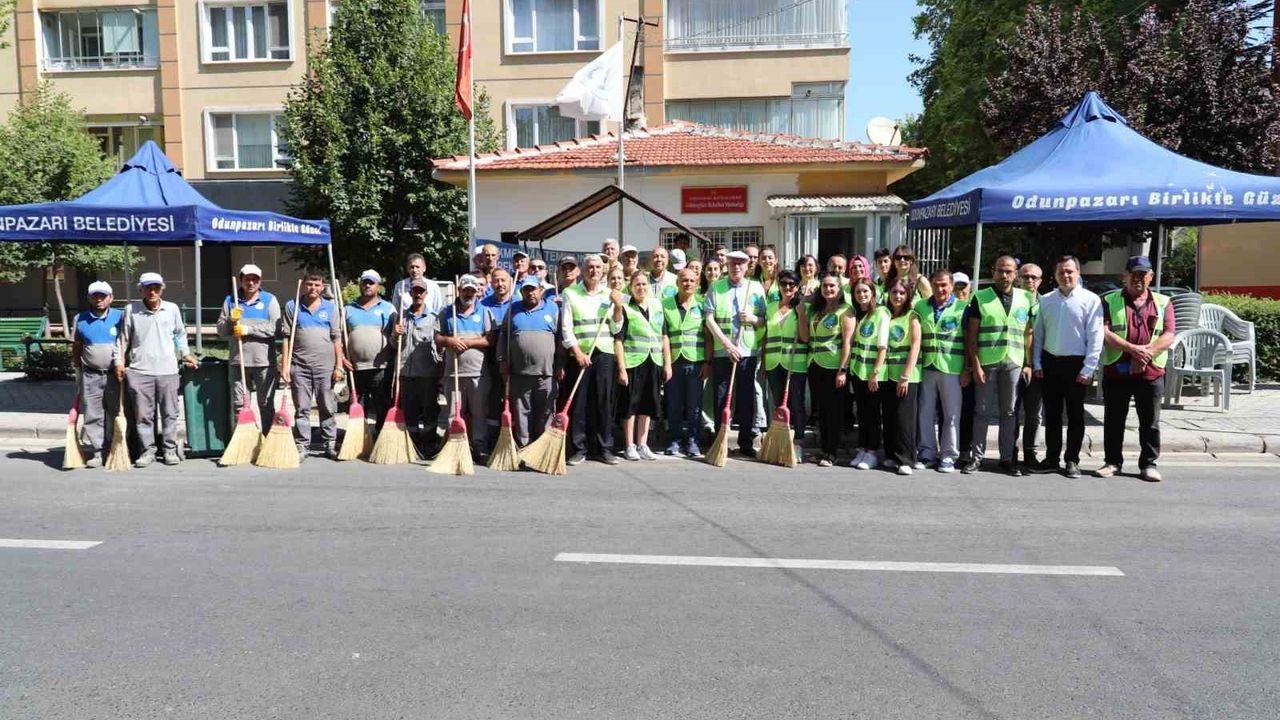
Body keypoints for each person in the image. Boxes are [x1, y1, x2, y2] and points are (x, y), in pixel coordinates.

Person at [1098, 256, 1175, 482]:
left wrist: (1145, 354)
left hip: (1151, 371)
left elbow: (1168, 334)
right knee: (1114, 420)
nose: (1138, 279)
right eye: (1133, 274)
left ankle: (1148, 464)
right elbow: (1104, 332)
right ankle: (1112, 462)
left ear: (1151, 277)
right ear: (1125, 276)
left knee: (1150, 422)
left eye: (1143, 274)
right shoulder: (1109, 300)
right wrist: (1133, 350)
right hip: (1117, 369)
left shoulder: (1164, 302)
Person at [1030, 255, 1103, 479]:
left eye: (1070, 271)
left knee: (1075, 416)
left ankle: (1072, 460)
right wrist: (1037, 362)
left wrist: (1088, 368)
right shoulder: (1046, 300)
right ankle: (1052, 458)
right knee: (1052, 415)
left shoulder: (1091, 300)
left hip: (1076, 365)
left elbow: (1096, 337)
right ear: (1055, 275)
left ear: (1078, 273)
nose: (1065, 275)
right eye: (1061, 272)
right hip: (1050, 362)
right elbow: (1039, 334)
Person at [963, 256, 1034, 476]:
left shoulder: (1026, 297)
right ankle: (977, 457)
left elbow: (1028, 333)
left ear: (1016, 274)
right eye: (1000, 271)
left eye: (1009, 271)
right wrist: (975, 365)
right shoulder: (980, 297)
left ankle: (1007, 458)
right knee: (981, 411)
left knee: (1010, 411)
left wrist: (1028, 363)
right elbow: (972, 335)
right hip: (987, 361)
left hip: (1014, 361)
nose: (1004, 275)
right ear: (993, 271)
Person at [117, 273, 197, 467]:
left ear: (162, 289)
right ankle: (147, 451)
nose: (152, 292)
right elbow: (123, 338)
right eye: (148, 288)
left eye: (156, 288)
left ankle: (169, 450)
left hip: (168, 370)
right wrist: (119, 361)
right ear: (141, 289)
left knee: (170, 413)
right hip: (140, 371)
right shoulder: (131, 309)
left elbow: (180, 334)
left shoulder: (172, 309)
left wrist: (186, 354)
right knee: (143, 416)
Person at [560, 254, 625, 465]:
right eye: (590, 267)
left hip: (604, 353)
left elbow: (616, 327)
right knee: (579, 403)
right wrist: (577, 352)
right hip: (579, 354)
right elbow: (566, 327)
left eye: (598, 267)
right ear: (582, 270)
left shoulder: (610, 294)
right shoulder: (570, 293)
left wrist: (617, 307)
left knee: (604, 402)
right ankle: (579, 448)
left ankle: (604, 448)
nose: (594, 270)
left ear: (603, 270)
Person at [704, 250, 767, 457]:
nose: (736, 267)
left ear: (747, 266)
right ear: (727, 266)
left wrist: (752, 318)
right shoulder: (716, 287)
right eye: (732, 263)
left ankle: (746, 441)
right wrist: (727, 345)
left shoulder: (755, 288)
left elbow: (764, 321)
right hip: (723, 351)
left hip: (747, 351)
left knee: (746, 398)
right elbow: (709, 319)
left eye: (741, 263)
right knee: (722, 397)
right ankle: (720, 438)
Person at [283, 272, 344, 460]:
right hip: (299, 367)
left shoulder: (330, 308)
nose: (313, 288)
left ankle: (330, 443)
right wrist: (285, 366)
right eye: (309, 284)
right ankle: (302, 445)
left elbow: (337, 338)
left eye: (317, 285)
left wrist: (339, 366)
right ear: (303, 285)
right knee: (302, 408)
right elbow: (286, 338)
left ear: (323, 287)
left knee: (327, 406)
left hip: (325, 367)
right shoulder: (293, 306)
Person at [217, 264, 281, 434]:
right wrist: (230, 320)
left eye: (255, 279)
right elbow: (221, 331)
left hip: (264, 362)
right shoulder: (231, 300)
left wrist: (248, 330)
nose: (251, 283)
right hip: (238, 362)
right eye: (247, 279)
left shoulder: (269, 300)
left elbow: (274, 328)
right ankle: (243, 440)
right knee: (240, 405)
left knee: (265, 403)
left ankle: (268, 439)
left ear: (260, 281)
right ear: (241, 280)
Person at [436, 274, 494, 462]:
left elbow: (489, 339)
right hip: (453, 374)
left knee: (479, 413)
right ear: (459, 290)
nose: (468, 294)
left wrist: (468, 342)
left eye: (472, 291)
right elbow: (437, 338)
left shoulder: (484, 312)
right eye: (465, 290)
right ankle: (455, 447)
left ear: (477, 292)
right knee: (454, 414)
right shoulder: (447, 312)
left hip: (478, 373)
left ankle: (480, 447)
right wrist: (449, 341)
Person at [498, 276, 560, 446]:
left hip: (546, 374)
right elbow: (503, 336)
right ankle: (524, 446)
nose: (530, 293)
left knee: (545, 413)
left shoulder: (553, 308)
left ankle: (541, 448)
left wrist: (560, 365)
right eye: (526, 290)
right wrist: (502, 361)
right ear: (522, 292)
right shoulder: (513, 309)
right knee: (522, 413)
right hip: (519, 373)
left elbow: (560, 339)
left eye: (533, 289)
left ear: (541, 290)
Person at [915, 270, 966, 473]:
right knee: (925, 412)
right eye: (936, 284)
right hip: (927, 367)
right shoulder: (921, 306)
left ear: (952, 286)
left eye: (944, 285)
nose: (940, 289)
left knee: (951, 415)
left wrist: (968, 368)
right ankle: (927, 453)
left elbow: (969, 340)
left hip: (952, 368)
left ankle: (948, 456)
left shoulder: (962, 308)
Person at [617, 270, 671, 461]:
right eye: (637, 284)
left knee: (648, 404)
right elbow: (619, 340)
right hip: (633, 362)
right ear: (631, 288)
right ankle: (629, 445)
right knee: (630, 405)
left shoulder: (657, 305)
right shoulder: (626, 308)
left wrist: (667, 364)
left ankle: (642, 444)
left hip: (654, 361)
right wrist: (621, 369)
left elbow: (664, 336)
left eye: (644, 284)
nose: (641, 288)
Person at [72, 281, 122, 467]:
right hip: (91, 375)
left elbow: (129, 343)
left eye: (103, 296)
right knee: (93, 413)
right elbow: (77, 347)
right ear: (89, 298)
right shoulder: (80, 319)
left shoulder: (121, 316)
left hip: (115, 375)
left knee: (117, 412)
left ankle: (118, 448)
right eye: (95, 296)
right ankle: (98, 451)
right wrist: (77, 370)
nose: (99, 299)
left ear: (111, 298)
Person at [762, 269, 810, 462]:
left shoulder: (801, 308)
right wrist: (763, 363)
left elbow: (805, 337)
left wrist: (801, 314)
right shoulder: (770, 307)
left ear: (797, 287)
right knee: (778, 404)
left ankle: (798, 443)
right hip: (773, 362)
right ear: (779, 286)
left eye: (792, 284)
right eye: (783, 283)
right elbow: (766, 337)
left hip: (795, 364)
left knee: (796, 404)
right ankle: (782, 442)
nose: (787, 287)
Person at [390, 277, 441, 456]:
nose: (418, 294)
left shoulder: (434, 318)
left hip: (427, 374)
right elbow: (394, 345)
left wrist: (440, 372)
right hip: (405, 372)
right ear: (410, 293)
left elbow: (440, 348)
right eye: (415, 291)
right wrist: (395, 335)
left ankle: (429, 444)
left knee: (429, 411)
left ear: (426, 294)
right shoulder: (401, 317)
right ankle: (413, 444)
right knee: (409, 411)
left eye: (421, 291)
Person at [663, 267, 709, 458]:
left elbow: (708, 336)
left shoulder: (702, 305)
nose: (687, 283)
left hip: (696, 362)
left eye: (691, 280)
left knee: (694, 406)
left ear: (697, 284)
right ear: (677, 283)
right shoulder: (666, 304)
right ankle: (674, 440)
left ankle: (692, 441)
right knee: (673, 403)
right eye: (684, 280)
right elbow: (664, 336)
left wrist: (707, 362)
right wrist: (667, 364)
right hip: (674, 361)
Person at [806, 273, 852, 467]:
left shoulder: (846, 310)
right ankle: (824, 449)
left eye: (832, 286)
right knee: (822, 411)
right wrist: (802, 309)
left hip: (834, 367)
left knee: (834, 412)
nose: (828, 289)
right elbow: (806, 337)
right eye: (825, 286)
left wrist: (843, 370)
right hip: (815, 364)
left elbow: (848, 342)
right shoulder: (816, 310)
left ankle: (832, 452)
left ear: (839, 289)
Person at [344, 270, 395, 434]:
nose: (367, 285)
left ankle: (381, 437)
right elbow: (340, 336)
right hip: (355, 368)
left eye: (371, 283)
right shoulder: (348, 309)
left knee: (382, 405)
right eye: (365, 282)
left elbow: (395, 338)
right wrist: (343, 358)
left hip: (381, 367)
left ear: (378, 286)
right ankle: (359, 438)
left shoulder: (389, 309)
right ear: (360, 284)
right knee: (356, 405)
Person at [880, 279, 923, 474]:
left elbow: (915, 345)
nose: (897, 296)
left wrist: (905, 376)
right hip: (888, 374)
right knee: (890, 415)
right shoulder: (886, 315)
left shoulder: (912, 316)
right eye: (894, 292)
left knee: (905, 418)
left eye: (902, 293)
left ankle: (906, 459)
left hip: (907, 376)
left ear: (908, 295)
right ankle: (891, 455)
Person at [848, 279, 889, 470]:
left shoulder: (881, 313)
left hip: (873, 373)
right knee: (862, 413)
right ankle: (863, 448)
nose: (861, 295)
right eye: (858, 292)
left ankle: (872, 451)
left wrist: (875, 373)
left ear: (873, 293)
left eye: (865, 291)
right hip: (858, 371)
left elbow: (883, 347)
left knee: (873, 414)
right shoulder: (859, 315)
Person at [481, 268, 514, 445]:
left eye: (503, 280)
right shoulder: (483, 305)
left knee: (513, 399)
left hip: (514, 359)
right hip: (490, 359)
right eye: (496, 281)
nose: (500, 284)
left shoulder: (517, 303)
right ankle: (493, 439)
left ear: (510, 282)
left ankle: (512, 437)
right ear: (491, 283)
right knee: (493, 398)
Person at [1016, 263, 1045, 468]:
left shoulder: (1047, 304)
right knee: (1011, 412)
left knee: (1034, 414)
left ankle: (1030, 453)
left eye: (1034, 277)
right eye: (1025, 276)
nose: (1029, 280)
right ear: (1019, 278)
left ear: (1040, 281)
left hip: (1038, 366)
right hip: (1014, 363)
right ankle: (1009, 450)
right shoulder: (1011, 302)